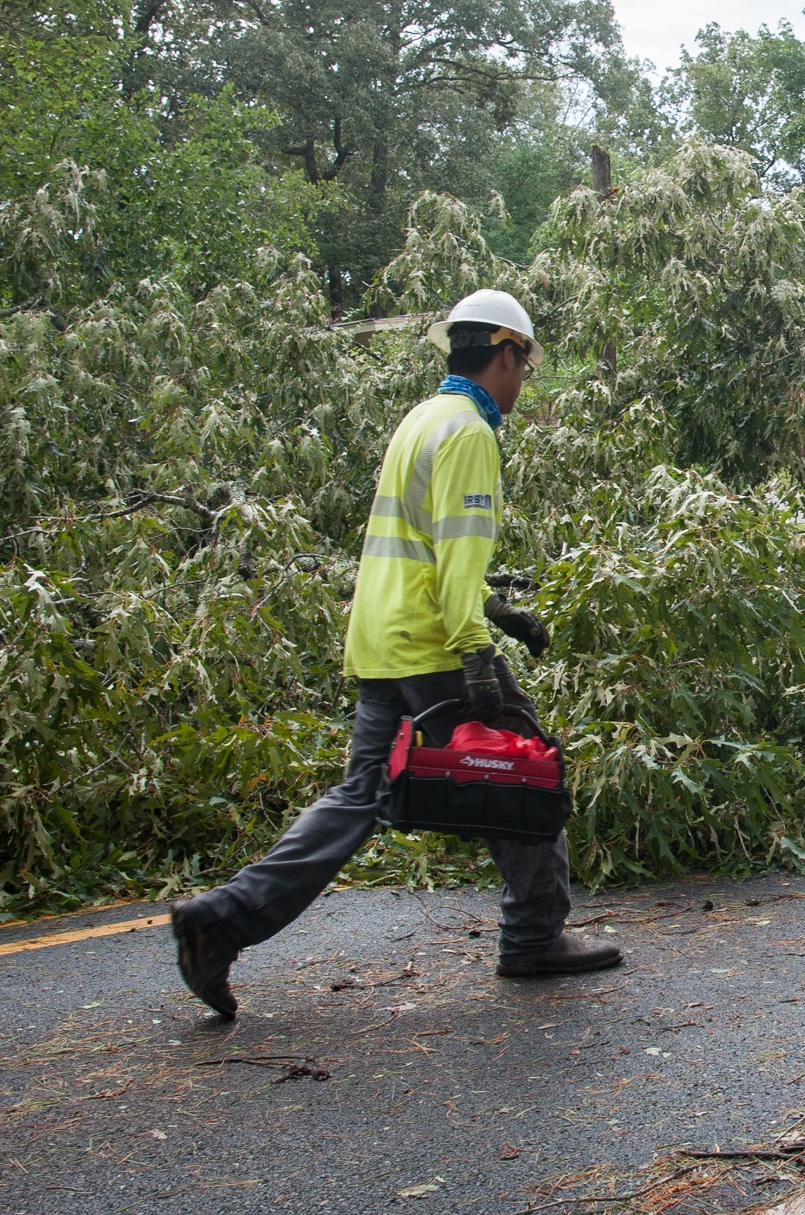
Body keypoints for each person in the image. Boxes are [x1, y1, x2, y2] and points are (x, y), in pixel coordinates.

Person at [168, 290, 620, 1020]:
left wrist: (498, 610)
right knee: (528, 774)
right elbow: (457, 549)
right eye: (524, 369)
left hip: (383, 638)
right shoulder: (470, 430)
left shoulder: (421, 419)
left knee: (360, 798)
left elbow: (426, 543)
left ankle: (222, 920)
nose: (519, 384)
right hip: (436, 643)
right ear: (505, 354)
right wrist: (478, 646)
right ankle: (535, 935)